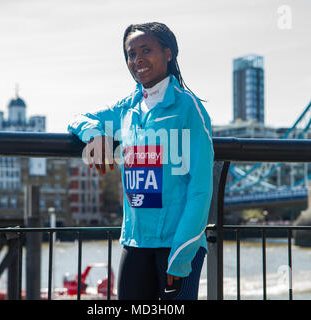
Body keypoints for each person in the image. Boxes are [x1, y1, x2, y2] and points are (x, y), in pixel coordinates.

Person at [68, 22, 214, 300]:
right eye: (131, 54)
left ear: (169, 53)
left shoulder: (189, 109)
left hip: (177, 245)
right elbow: (77, 119)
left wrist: (181, 255)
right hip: (135, 242)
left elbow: (200, 188)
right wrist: (96, 134)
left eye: (146, 50)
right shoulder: (127, 107)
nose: (137, 60)